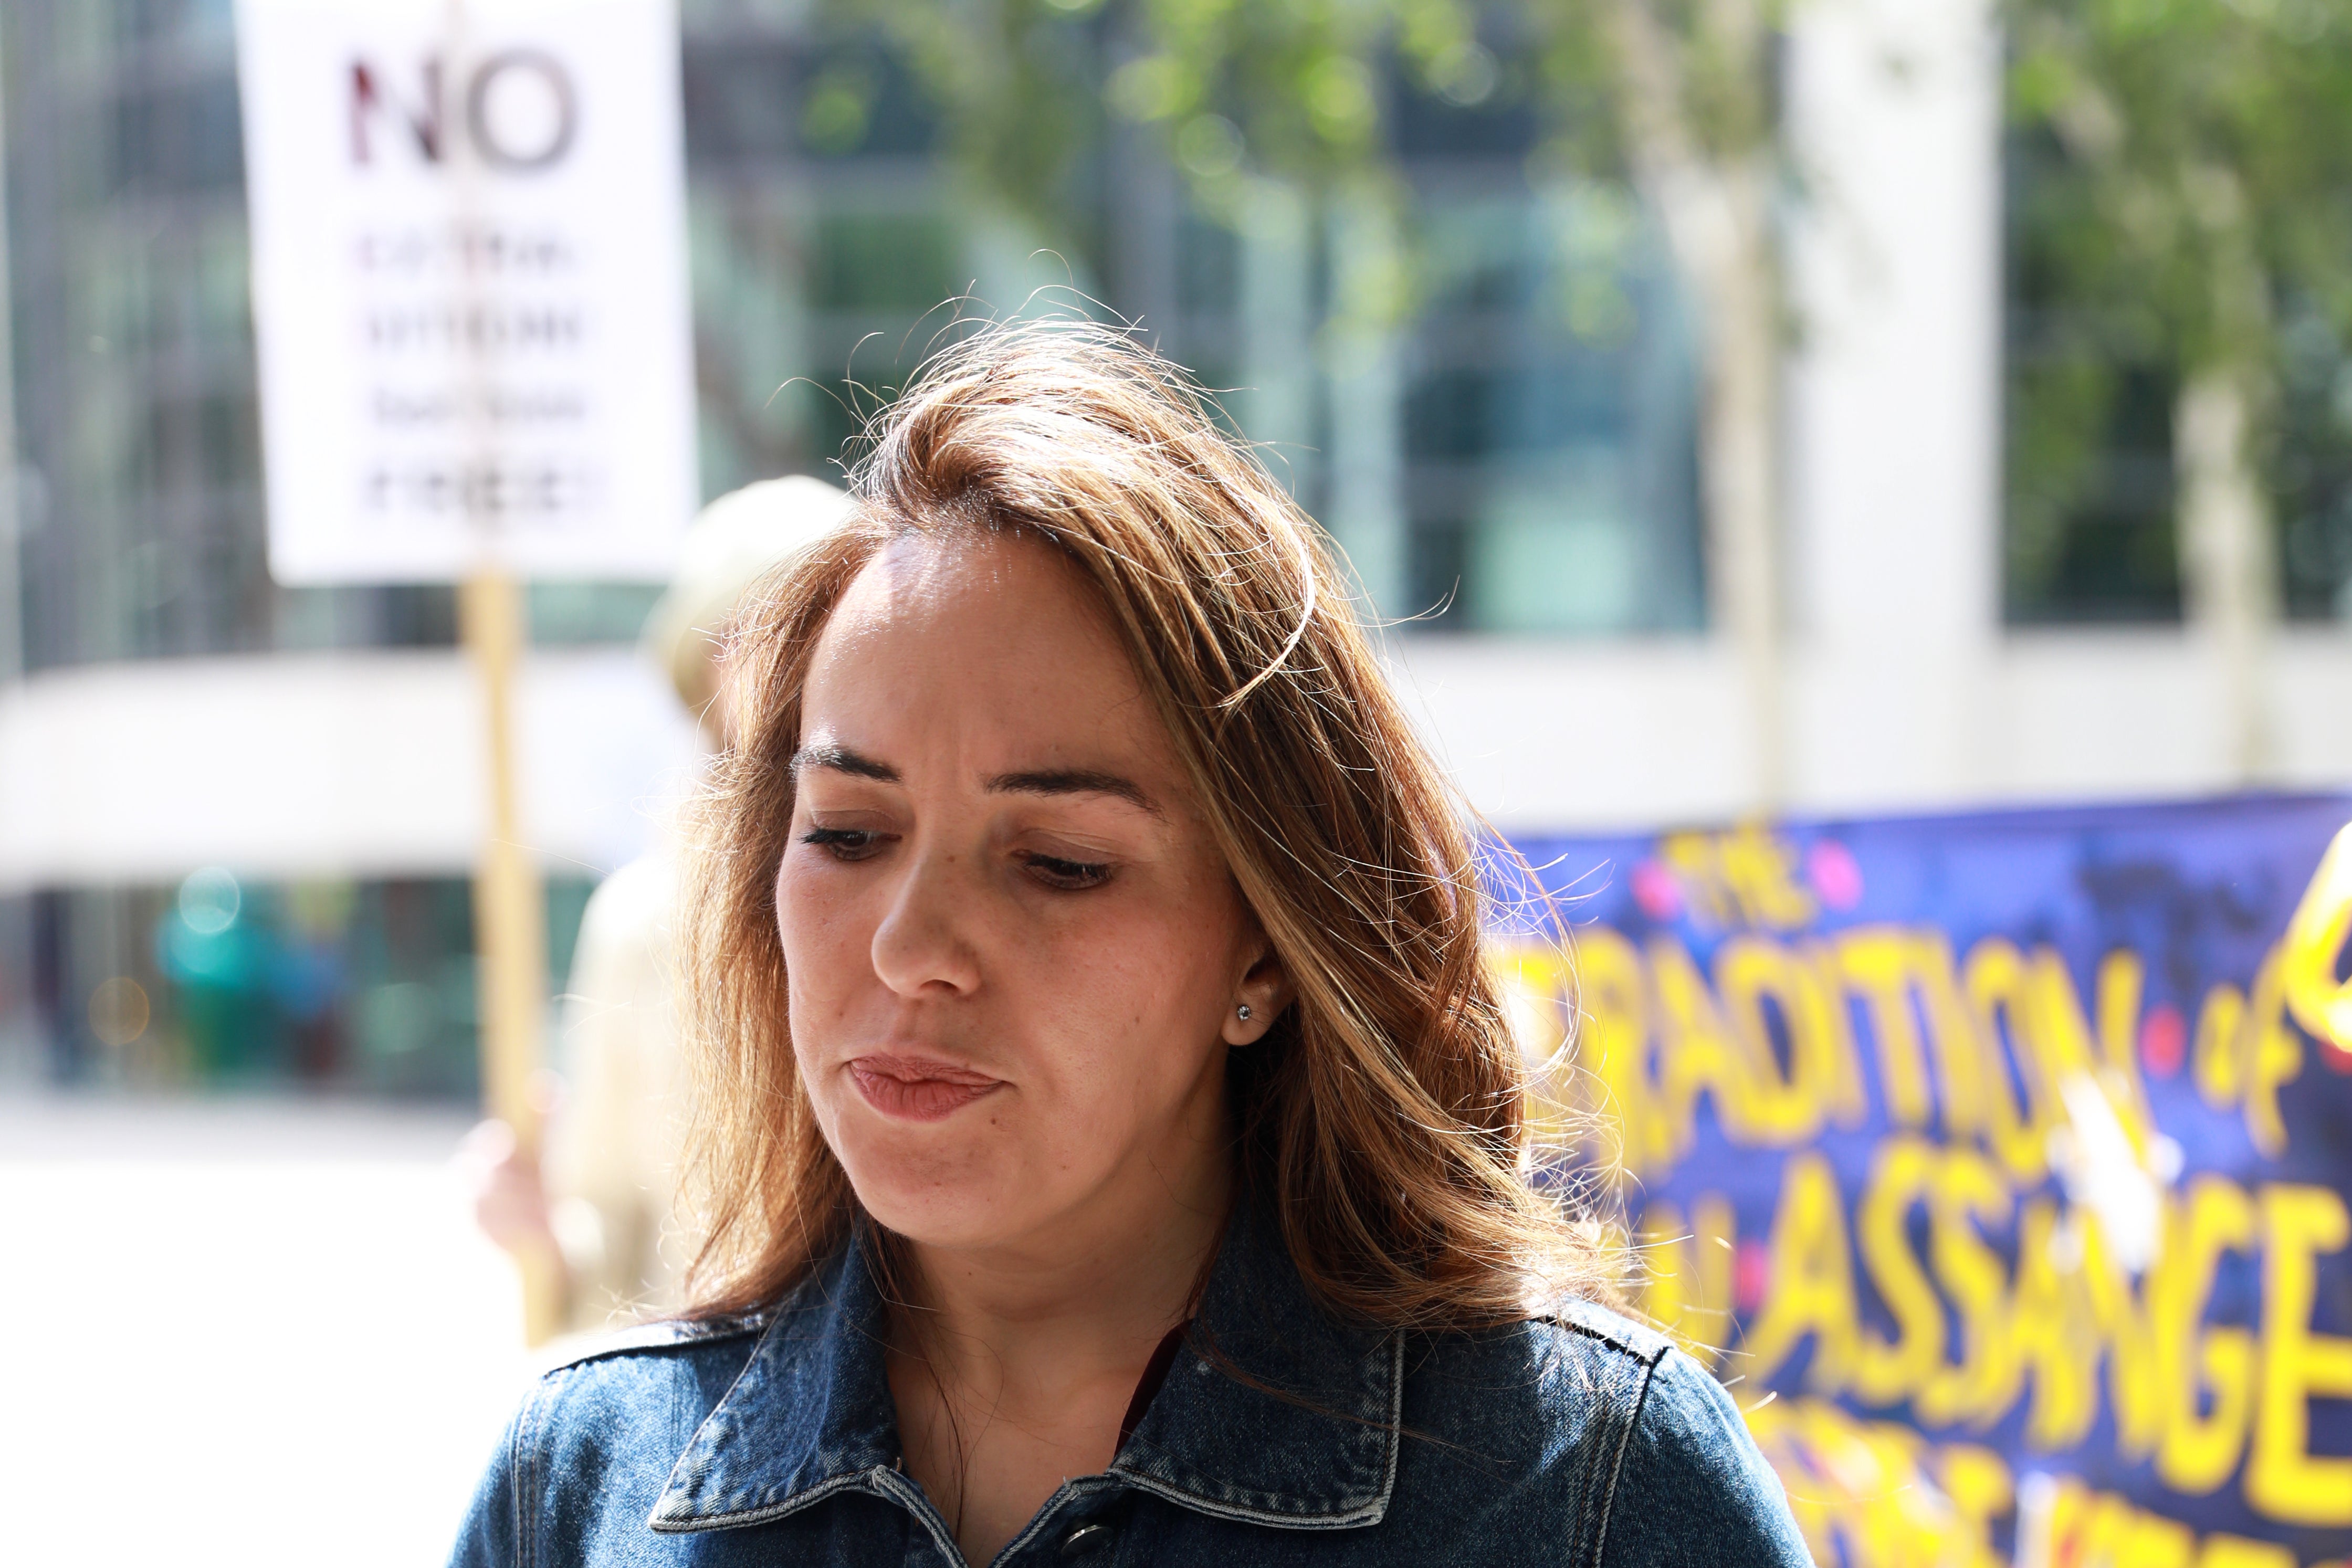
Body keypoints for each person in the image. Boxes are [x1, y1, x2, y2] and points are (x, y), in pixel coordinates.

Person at [450, 319, 1810, 1566]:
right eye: (852, 832)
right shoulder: (574, 1490)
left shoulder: (1586, 1488)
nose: (912, 947)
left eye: (1058, 863)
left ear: (1267, 948)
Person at [461, 476, 852, 1333]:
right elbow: (612, 1235)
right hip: (711, 1435)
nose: (793, 660)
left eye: (823, 624)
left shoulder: (936, 908)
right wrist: (542, 1236)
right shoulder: (641, 925)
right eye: (756, 630)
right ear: (706, 671)